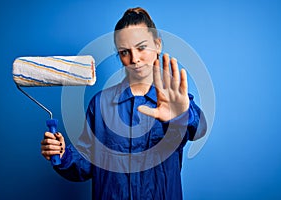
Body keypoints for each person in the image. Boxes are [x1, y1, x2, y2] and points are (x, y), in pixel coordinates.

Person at [41, 7, 207, 200]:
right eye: (124, 52)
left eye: (142, 47)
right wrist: (62, 155)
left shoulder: (175, 100)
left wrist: (182, 113)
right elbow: (85, 163)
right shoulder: (101, 105)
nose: (135, 59)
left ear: (158, 45)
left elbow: (199, 129)